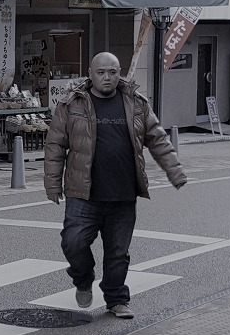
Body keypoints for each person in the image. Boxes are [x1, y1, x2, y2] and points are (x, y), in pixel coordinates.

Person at [44, 52, 187, 320]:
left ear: (119, 72)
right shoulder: (72, 103)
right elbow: (55, 145)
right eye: (101, 72)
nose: (107, 77)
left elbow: (157, 139)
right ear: (90, 73)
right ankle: (83, 278)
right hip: (83, 193)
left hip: (122, 193)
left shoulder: (136, 102)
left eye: (112, 72)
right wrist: (52, 184)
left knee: (118, 253)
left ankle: (117, 299)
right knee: (73, 243)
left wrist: (175, 171)